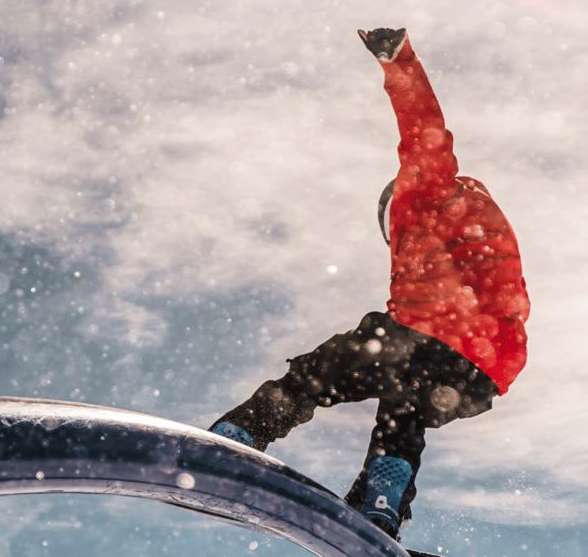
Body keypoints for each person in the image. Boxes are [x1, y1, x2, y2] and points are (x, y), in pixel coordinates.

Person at [209, 28, 530, 540]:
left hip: (426, 337)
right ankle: (379, 506)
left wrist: (399, 62)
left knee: (323, 370)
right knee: (405, 409)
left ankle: (239, 433)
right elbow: (506, 308)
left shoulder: (425, 189)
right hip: (481, 370)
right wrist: (487, 365)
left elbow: (425, 131)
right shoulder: (488, 229)